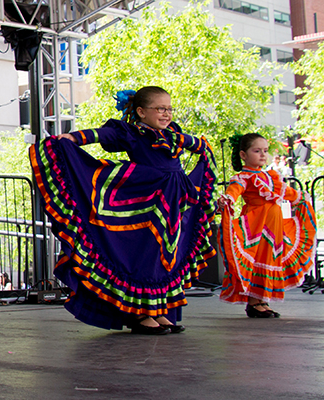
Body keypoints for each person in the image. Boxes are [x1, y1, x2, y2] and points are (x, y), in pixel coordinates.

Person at [29, 86, 216, 335]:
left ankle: (159, 310)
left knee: (165, 256)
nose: (166, 113)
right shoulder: (133, 133)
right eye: (160, 108)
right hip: (145, 200)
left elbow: (200, 146)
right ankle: (140, 314)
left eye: (169, 108)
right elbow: (103, 135)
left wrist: (204, 156)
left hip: (173, 202)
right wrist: (74, 138)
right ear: (140, 111)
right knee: (146, 256)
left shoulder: (174, 135)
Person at [218, 133, 315, 318]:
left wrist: (301, 198)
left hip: (274, 229)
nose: (263, 155)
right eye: (257, 151)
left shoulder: (271, 177)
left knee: (270, 259)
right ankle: (254, 302)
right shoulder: (244, 177)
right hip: (256, 228)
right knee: (257, 261)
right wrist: (228, 199)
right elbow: (234, 191)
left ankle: (262, 299)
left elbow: (288, 193)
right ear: (243, 155)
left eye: (265, 151)